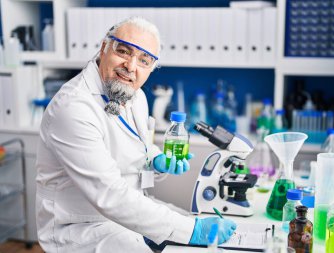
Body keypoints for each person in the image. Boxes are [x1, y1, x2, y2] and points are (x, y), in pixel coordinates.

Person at [35, 16, 236, 252]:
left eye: (144, 60)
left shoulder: (135, 96)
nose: (131, 66)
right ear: (104, 48)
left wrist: (155, 160)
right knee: (189, 233)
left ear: (152, 68)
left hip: (124, 214)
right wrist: (193, 231)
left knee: (192, 225)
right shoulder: (73, 107)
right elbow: (109, 194)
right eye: (123, 51)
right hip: (81, 228)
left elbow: (135, 147)